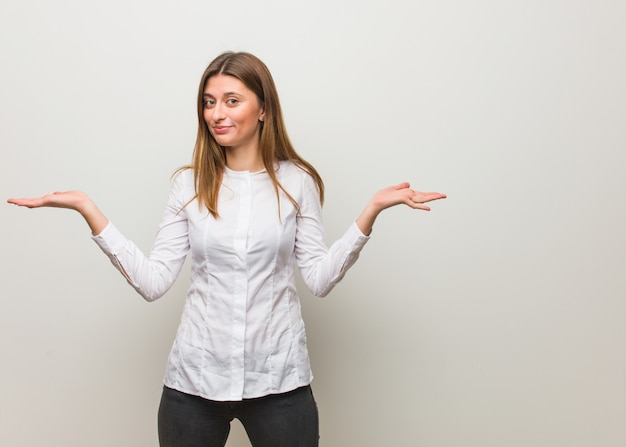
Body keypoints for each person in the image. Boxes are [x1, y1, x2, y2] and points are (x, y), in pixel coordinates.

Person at [7, 51, 446, 447]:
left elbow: (319, 277)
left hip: (279, 382)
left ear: (263, 109)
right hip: (194, 382)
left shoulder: (297, 182)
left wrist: (370, 212)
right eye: (209, 101)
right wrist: (88, 208)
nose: (217, 113)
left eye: (232, 100)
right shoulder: (189, 183)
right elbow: (153, 281)